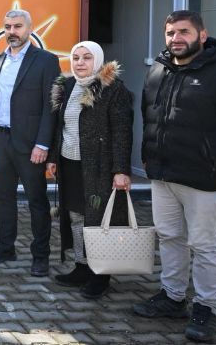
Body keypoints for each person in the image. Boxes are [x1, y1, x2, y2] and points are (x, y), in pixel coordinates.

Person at [132, 10, 216, 342]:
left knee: (204, 245)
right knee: (169, 237)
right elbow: (149, 116)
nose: (176, 38)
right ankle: (173, 296)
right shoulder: (158, 69)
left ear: (202, 35)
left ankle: (206, 307)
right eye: (170, 33)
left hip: (205, 178)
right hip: (163, 174)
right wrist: (148, 158)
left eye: (184, 32)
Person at [47, 41, 133, 299]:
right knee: (76, 216)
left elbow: (122, 132)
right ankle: (82, 266)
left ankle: (100, 275)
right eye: (76, 57)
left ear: (98, 60)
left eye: (86, 57)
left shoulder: (113, 89)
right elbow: (60, 126)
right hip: (70, 163)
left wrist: (121, 170)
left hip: (99, 167)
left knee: (97, 219)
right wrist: (53, 158)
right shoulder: (67, 86)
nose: (80, 62)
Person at [0, 9, 60, 277]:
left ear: (29, 28)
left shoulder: (46, 61)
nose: (12, 31)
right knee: (4, 198)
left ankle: (41, 256)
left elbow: (51, 107)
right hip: (0, 140)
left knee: (37, 201)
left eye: (17, 26)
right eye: (7, 26)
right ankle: (5, 248)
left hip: (30, 145)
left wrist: (43, 144)